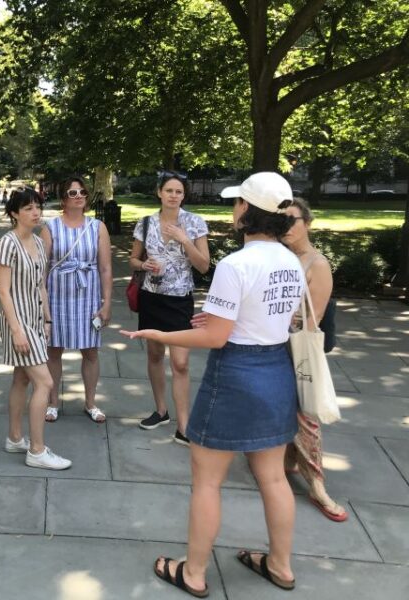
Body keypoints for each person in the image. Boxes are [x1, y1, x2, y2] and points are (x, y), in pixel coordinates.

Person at [121, 172, 304, 596]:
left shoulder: (237, 264)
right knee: (273, 478)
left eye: (238, 202)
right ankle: (280, 565)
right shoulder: (291, 261)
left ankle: (194, 572)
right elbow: (275, 317)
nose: (234, 208)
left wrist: (159, 336)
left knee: (206, 480)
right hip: (276, 369)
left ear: (247, 211)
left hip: (236, 374)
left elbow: (214, 338)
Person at [130, 172, 210, 444]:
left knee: (181, 362)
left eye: (179, 191)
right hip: (152, 297)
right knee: (154, 355)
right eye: (169, 190)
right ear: (160, 193)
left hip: (179, 299)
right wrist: (143, 265)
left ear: (183, 196)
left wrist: (184, 239)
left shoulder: (194, 223)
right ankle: (161, 410)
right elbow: (132, 259)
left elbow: (203, 265)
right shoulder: (146, 223)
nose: (174, 195)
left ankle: (184, 425)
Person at [281, 197, 347, 522]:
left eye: (293, 220)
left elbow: (314, 317)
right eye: (282, 220)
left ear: (307, 223)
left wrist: (297, 360)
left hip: (298, 350)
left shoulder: (316, 264)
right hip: (273, 345)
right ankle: (289, 461)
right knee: (286, 408)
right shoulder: (279, 256)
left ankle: (317, 485)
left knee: (307, 416)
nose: (287, 226)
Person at [0, 187, 71, 470]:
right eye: (28, 208)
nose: (36, 212)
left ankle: (15, 438)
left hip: (37, 320)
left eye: (38, 206)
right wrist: (17, 330)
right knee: (45, 382)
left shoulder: (39, 243)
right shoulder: (7, 243)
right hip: (18, 321)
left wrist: (48, 319)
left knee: (22, 380)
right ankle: (37, 451)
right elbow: (3, 292)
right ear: (14, 213)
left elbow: (41, 285)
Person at [41, 176, 112, 424]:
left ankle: (90, 402)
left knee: (90, 352)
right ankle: (52, 402)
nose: (79, 196)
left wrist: (106, 303)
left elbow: (105, 268)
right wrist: (43, 306)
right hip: (58, 297)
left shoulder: (97, 227)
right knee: (53, 352)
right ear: (63, 199)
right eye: (72, 193)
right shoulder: (50, 227)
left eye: (82, 192)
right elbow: (42, 269)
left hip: (88, 297)